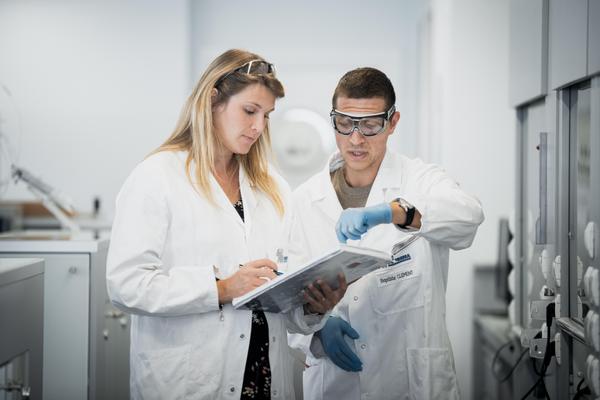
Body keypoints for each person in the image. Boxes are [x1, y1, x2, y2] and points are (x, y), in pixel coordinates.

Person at [106, 49, 346, 400]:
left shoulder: (273, 188)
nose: (259, 127)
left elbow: (283, 297)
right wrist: (220, 288)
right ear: (212, 100)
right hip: (190, 382)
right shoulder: (157, 177)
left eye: (267, 115)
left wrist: (313, 306)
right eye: (250, 111)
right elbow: (126, 284)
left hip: (265, 376)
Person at [287, 67, 484, 400]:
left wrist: (393, 211)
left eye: (370, 125)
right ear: (333, 119)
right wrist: (315, 331)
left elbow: (468, 217)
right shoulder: (304, 200)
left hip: (413, 381)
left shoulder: (420, 179)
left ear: (393, 122)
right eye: (345, 123)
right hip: (337, 382)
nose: (356, 139)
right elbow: (287, 294)